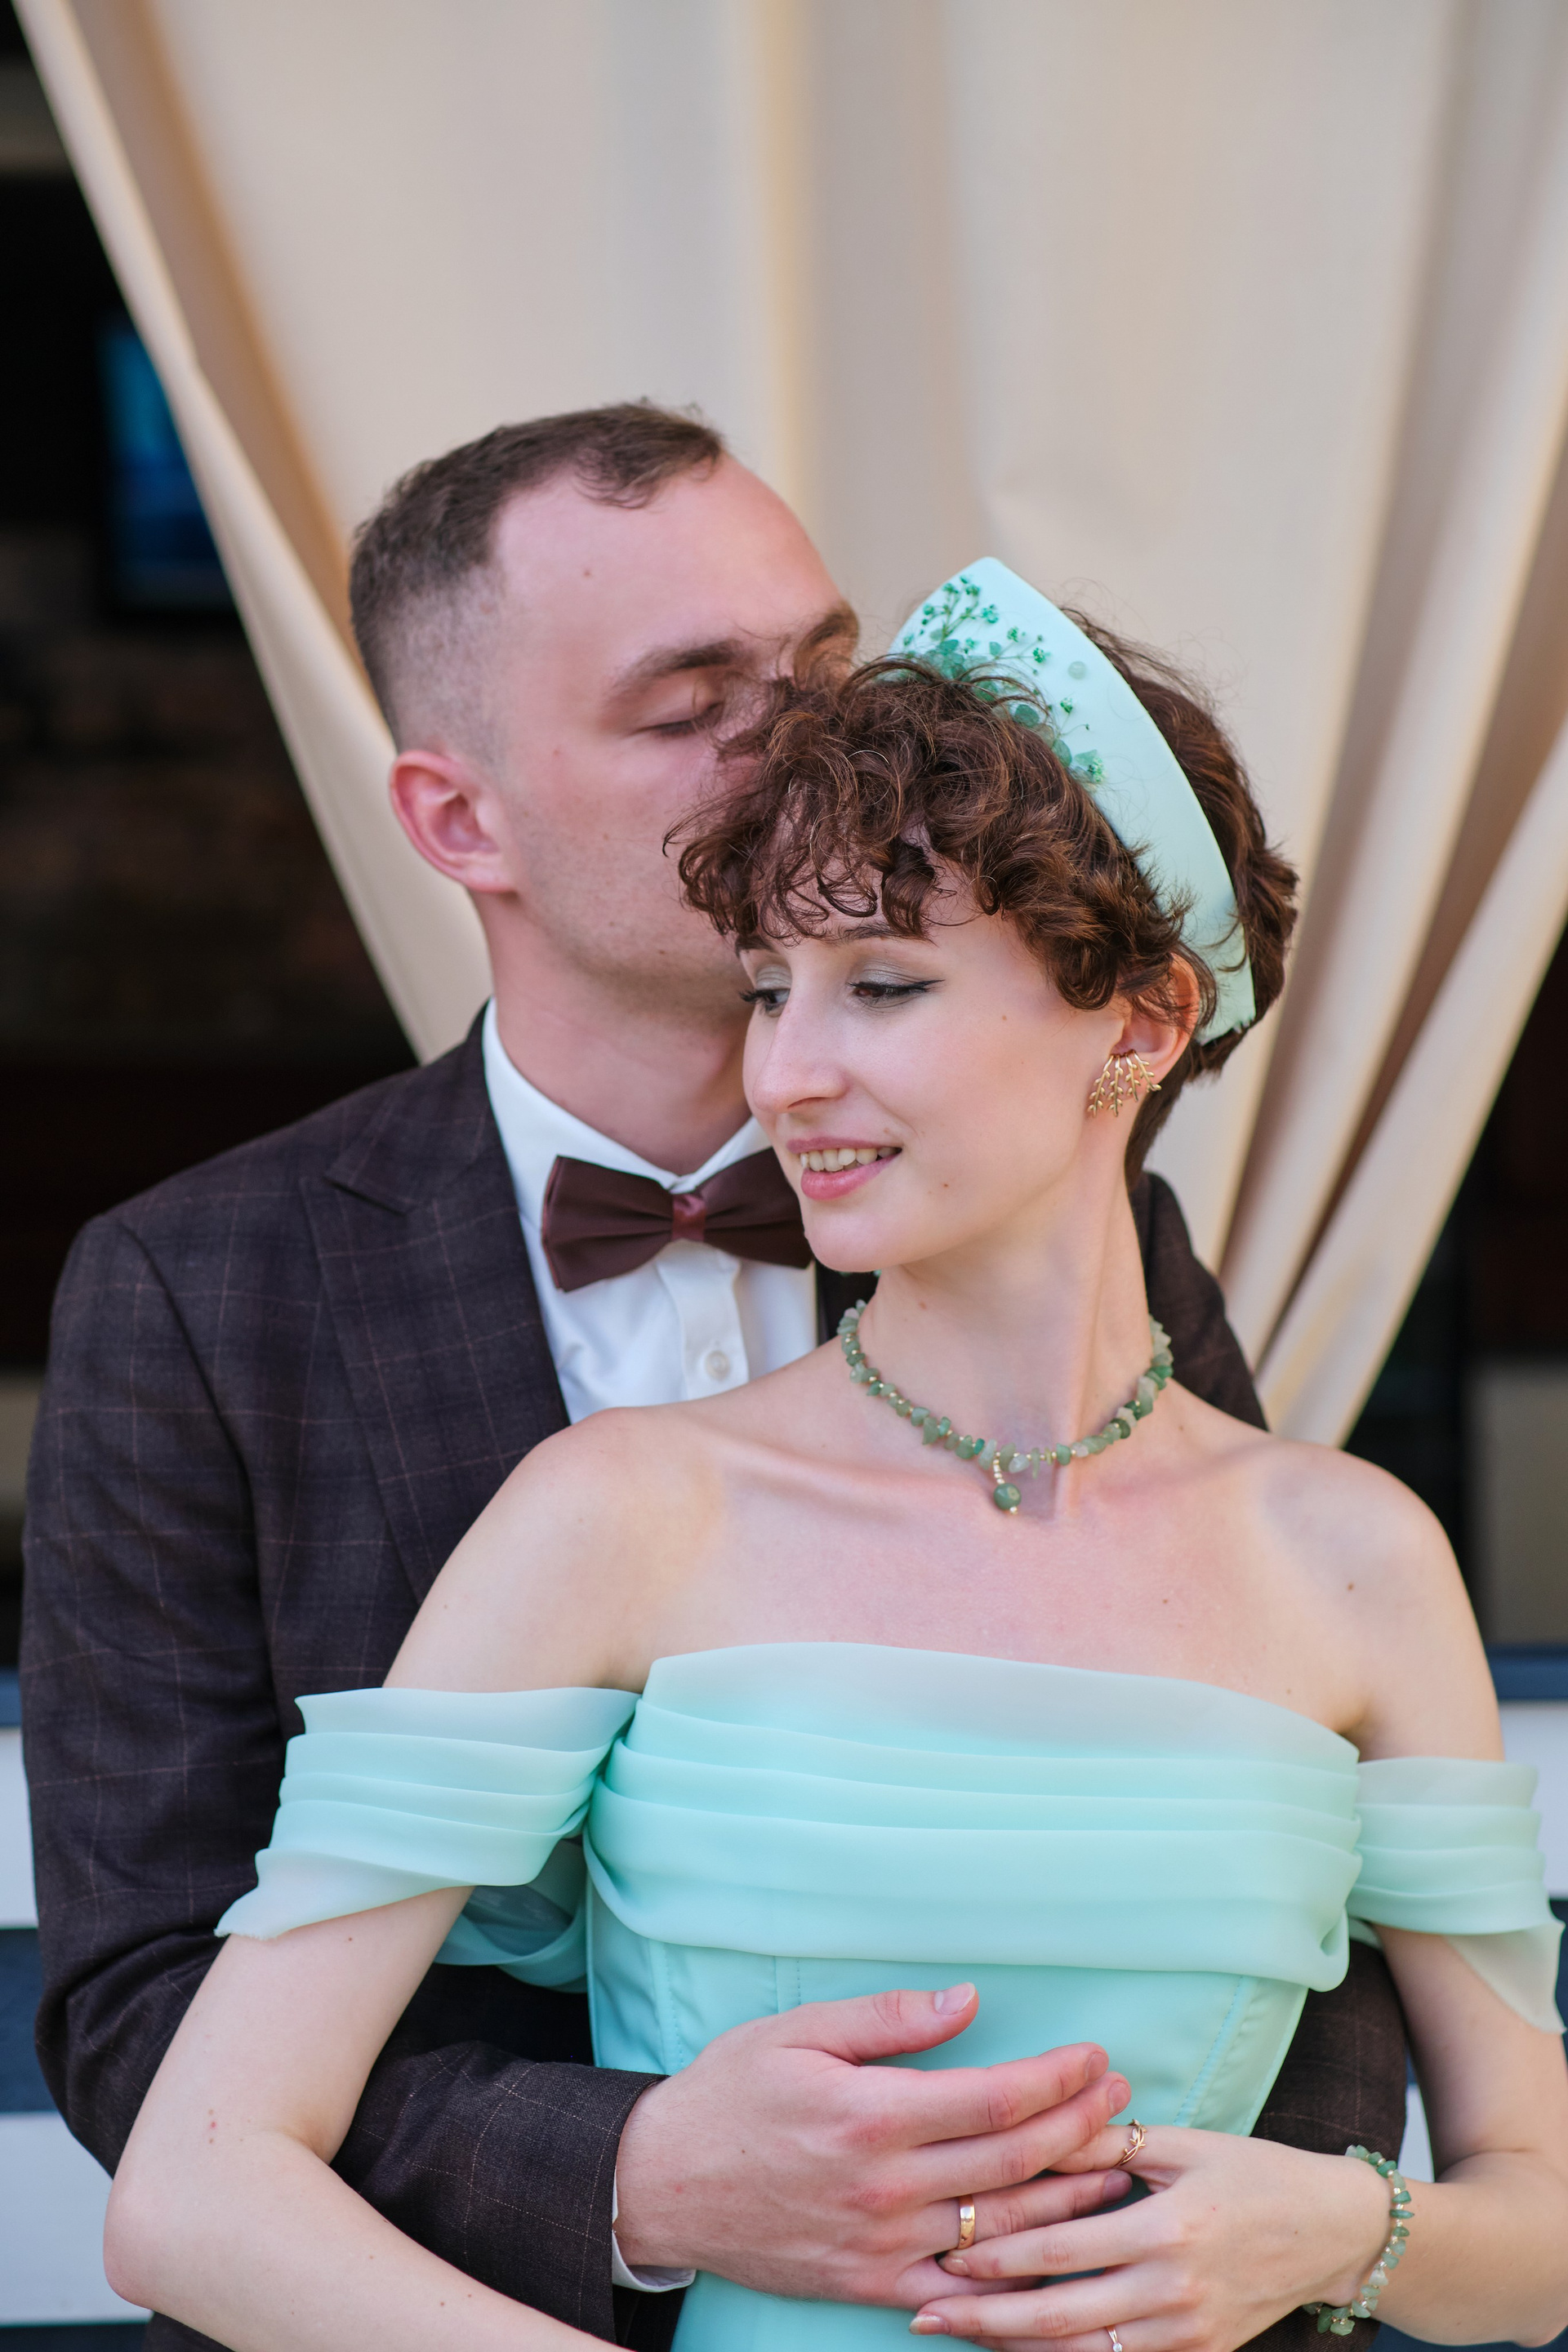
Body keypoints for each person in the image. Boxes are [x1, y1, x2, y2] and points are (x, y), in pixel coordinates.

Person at [24, 412, 1401, 2352]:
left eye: (821, 667)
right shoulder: (196, 1291)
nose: (805, 742)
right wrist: (637, 2175)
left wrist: (1249, 2258)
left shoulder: (1077, 1221)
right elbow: (143, 2004)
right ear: (459, 820)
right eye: (693, 707)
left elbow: (1279, 1832)